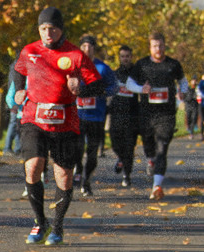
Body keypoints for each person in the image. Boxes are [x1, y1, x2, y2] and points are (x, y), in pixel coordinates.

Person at [13, 7, 104, 245]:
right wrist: (20, 89)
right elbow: (18, 70)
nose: (47, 33)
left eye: (52, 28)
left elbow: (98, 85)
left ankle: (57, 225)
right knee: (33, 167)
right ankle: (39, 222)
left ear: (60, 29)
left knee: (63, 175)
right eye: (43, 28)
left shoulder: (75, 54)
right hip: (34, 117)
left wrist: (80, 88)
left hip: (65, 122)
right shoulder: (30, 50)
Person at [126, 31, 187, 200]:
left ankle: (157, 186)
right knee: (149, 146)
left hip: (166, 114)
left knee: (162, 149)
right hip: (146, 114)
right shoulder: (142, 65)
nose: (158, 48)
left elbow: (183, 81)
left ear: (165, 46)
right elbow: (129, 83)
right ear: (150, 47)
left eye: (160, 45)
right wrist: (141, 89)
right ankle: (150, 159)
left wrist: (183, 92)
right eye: (154, 46)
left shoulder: (173, 64)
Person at [73, 35, 116, 196]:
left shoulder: (103, 68)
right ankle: (77, 167)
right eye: (83, 46)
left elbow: (114, 87)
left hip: (96, 116)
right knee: (77, 148)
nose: (87, 49)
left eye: (90, 46)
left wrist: (103, 92)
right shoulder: (74, 66)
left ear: (94, 48)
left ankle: (86, 180)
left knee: (92, 152)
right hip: (77, 115)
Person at [108, 45, 140, 187]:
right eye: (122, 56)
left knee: (129, 146)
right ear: (119, 58)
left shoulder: (137, 74)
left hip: (132, 115)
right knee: (115, 143)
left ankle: (127, 175)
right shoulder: (114, 75)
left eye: (127, 56)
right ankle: (120, 158)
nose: (125, 59)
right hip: (116, 115)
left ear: (131, 57)